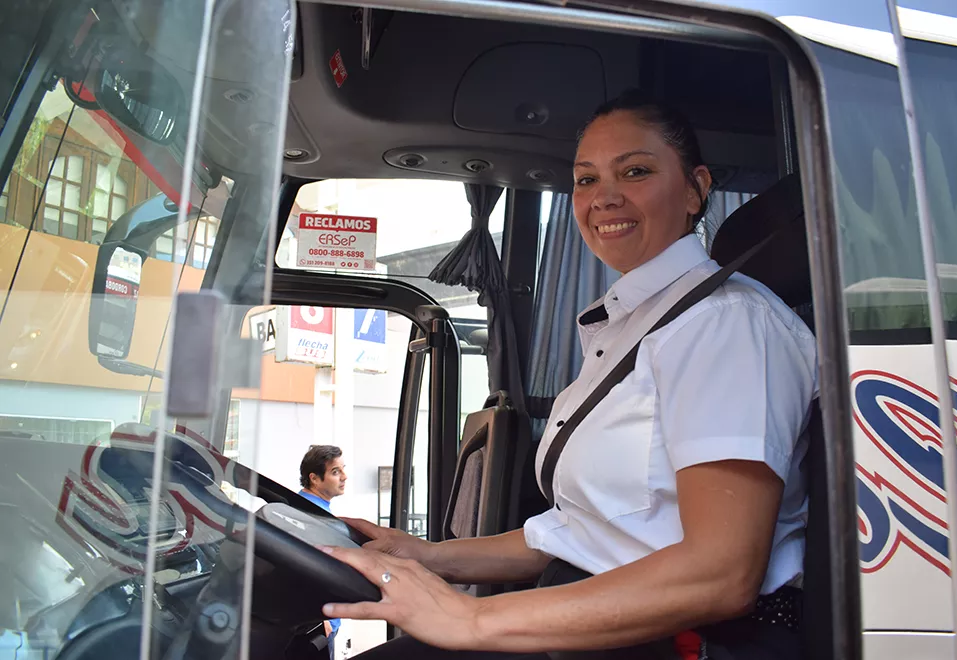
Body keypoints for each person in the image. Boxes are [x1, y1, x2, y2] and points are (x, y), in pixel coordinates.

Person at [319, 90, 819, 659]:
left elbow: (720, 573)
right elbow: (581, 534)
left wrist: (473, 618)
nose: (604, 197)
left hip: (679, 643)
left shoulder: (725, 325)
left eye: (635, 171)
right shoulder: (642, 323)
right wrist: (425, 555)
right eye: (585, 180)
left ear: (696, 188)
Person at [299, 445, 348, 658]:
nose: (344, 477)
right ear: (315, 478)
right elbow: (301, 568)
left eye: (342, 469)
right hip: (316, 627)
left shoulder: (314, 508)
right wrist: (319, 619)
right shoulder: (308, 514)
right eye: (335, 472)